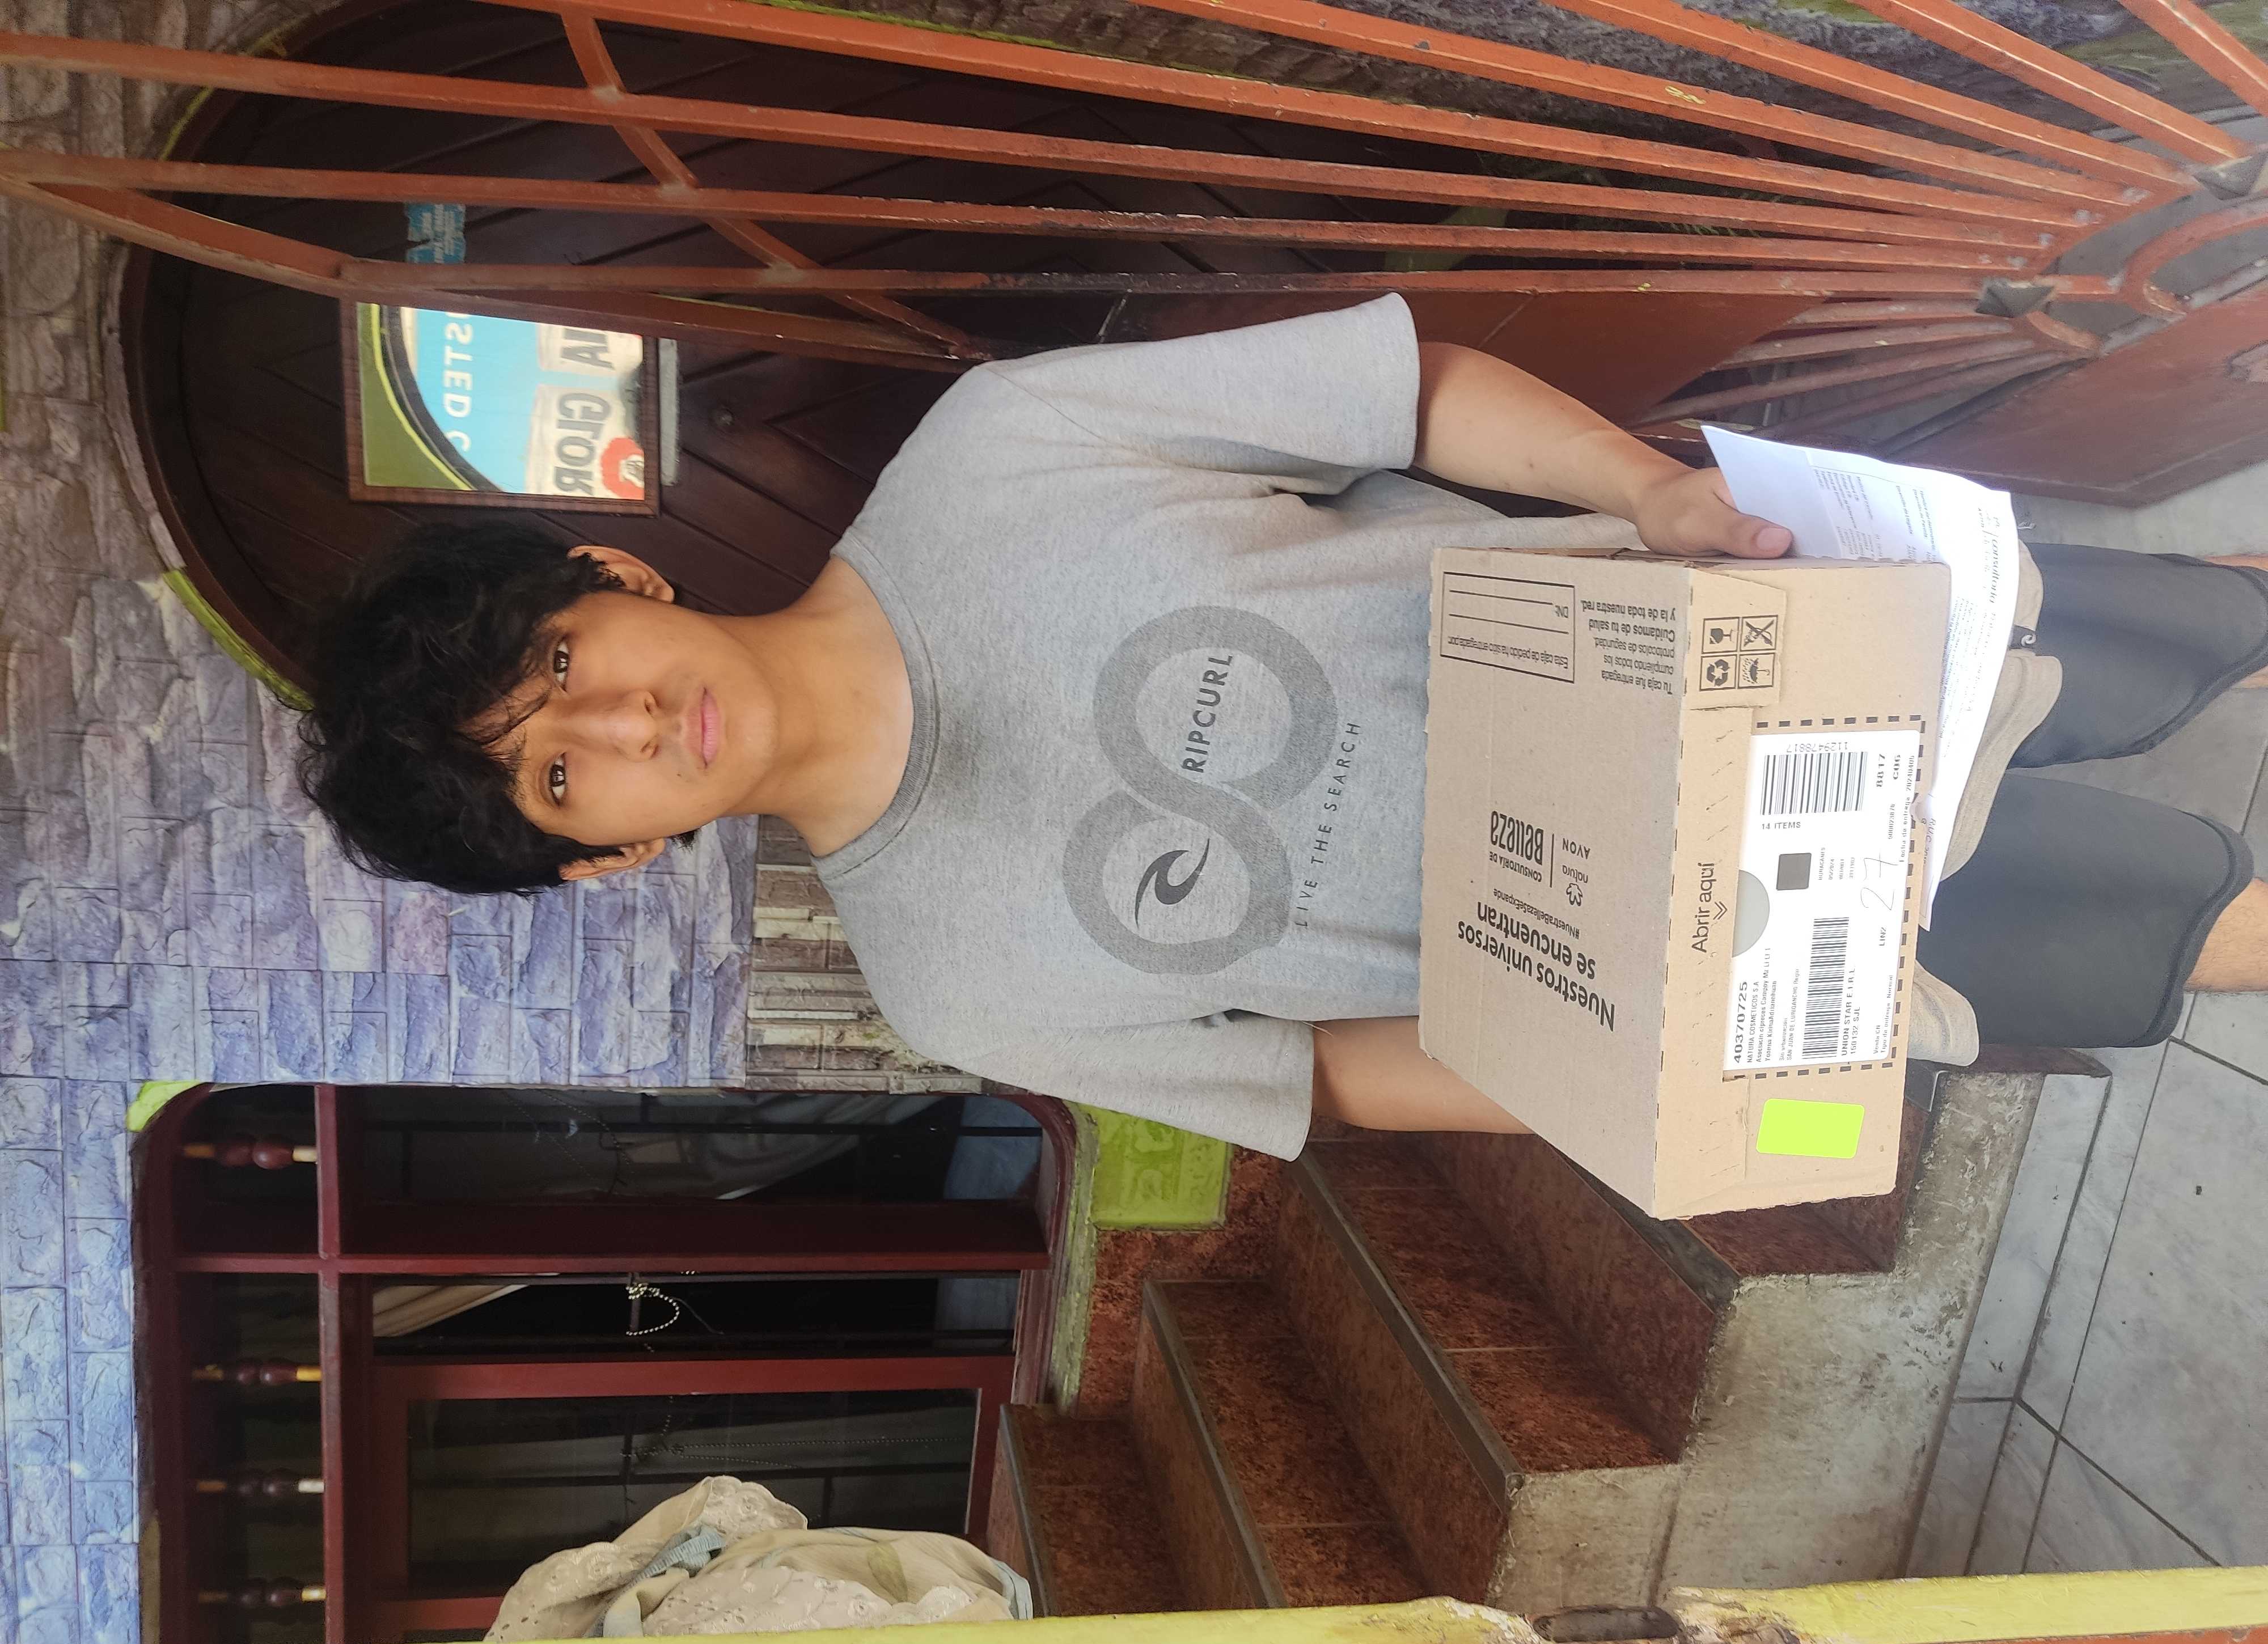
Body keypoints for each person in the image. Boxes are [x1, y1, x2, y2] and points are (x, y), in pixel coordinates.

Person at [301, 295, 2268, 1164]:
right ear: (611, 854)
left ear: (610, 574)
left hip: (1779, 642)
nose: (629, 719)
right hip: (1755, 945)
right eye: (560, 771)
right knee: (2200, 930)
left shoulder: (996, 448)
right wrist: (1634, 1077)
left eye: (566, 658)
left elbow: (1406, 395)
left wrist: (1655, 492)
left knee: (2209, 631)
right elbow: (1328, 1080)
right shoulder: (953, 990)